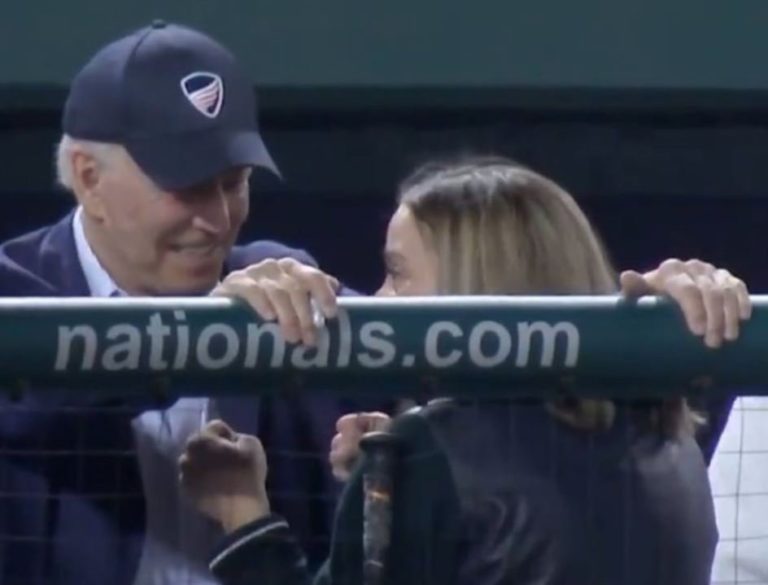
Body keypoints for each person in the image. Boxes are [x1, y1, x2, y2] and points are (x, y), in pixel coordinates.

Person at [179, 157, 750, 585]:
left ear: (471, 283)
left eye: (397, 273)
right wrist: (383, 491)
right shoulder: (666, 433)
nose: (376, 300)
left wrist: (241, 512)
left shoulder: (429, 451)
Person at [0, 21, 357, 585]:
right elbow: (39, 405)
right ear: (88, 179)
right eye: (187, 188)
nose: (217, 220)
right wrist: (203, 330)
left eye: (234, 183)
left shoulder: (274, 284)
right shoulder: (15, 289)